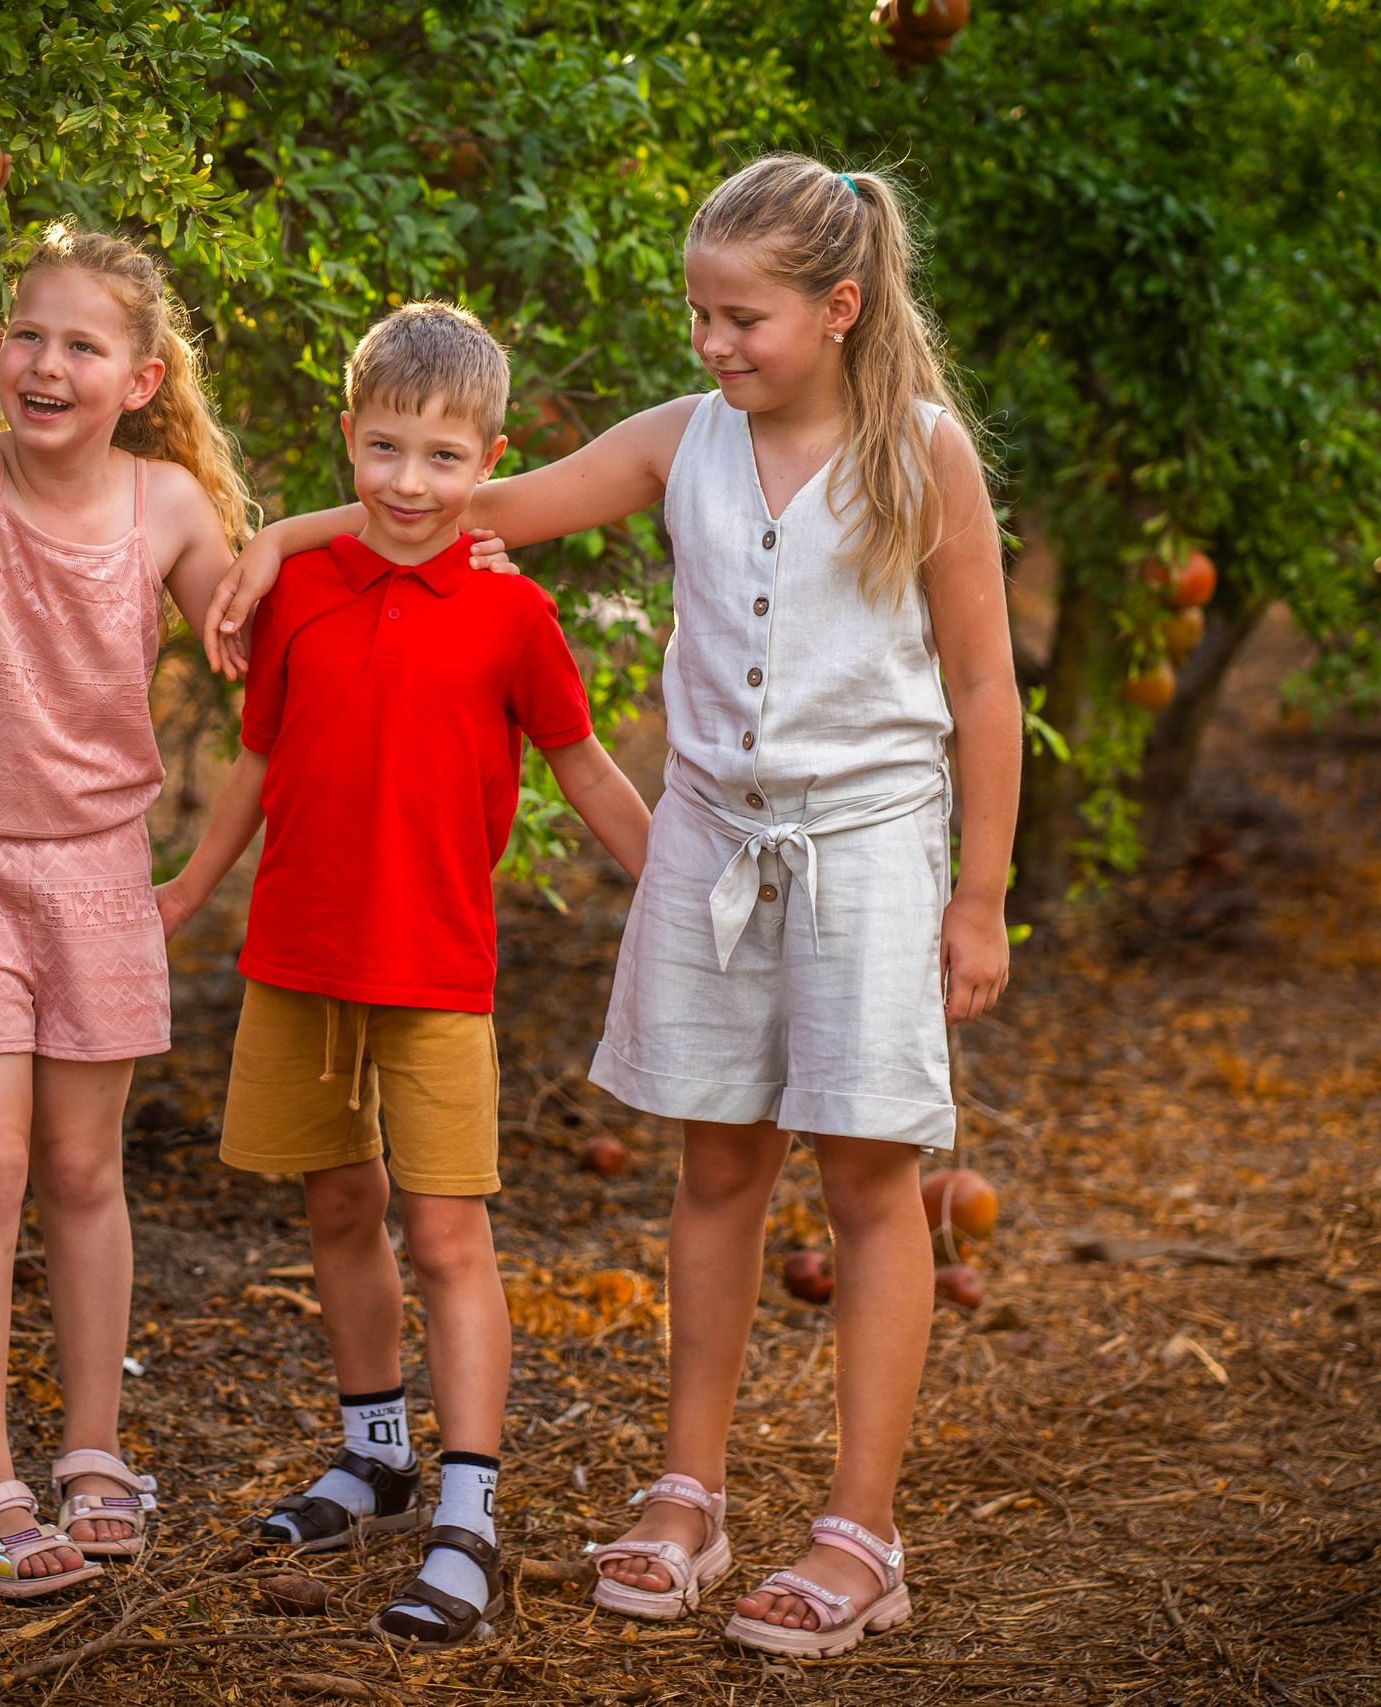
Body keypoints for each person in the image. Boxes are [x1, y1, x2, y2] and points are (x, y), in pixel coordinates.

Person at [203, 156, 1018, 1659]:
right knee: (715, 1172)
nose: (713, 344)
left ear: (839, 309)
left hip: (869, 853)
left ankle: (861, 1531)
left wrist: (983, 895)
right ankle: (687, 1493)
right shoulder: (684, 440)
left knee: (867, 1185)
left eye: (744, 319)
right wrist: (278, 538)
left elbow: (980, 683)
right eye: (700, 313)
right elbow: (453, 497)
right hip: (715, 845)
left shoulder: (920, 452)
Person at [159, 301, 652, 1649]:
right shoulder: (300, 593)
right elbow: (259, 762)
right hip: (301, 956)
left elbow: (584, 765)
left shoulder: (512, 613)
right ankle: (374, 1456)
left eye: (445, 458)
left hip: (437, 970)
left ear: (488, 459)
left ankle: (468, 1516)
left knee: (447, 1236)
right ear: (348, 440)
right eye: (386, 451)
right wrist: (193, 888)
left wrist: (670, 880)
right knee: (336, 1209)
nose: (411, 484)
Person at [0, 145, 251, 1598]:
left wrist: (296, 612)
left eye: (82, 345)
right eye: (26, 335)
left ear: (140, 380)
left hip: (94, 866)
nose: (45, 362)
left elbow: (250, 634)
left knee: (84, 1168)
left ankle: (94, 1453)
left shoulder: (171, 510)